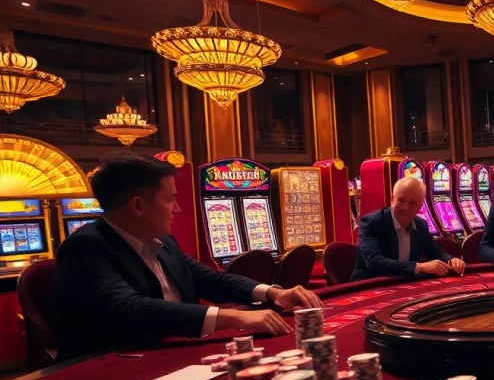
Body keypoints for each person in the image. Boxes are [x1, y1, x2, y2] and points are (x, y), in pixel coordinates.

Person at [55, 152, 321, 360]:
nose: (178, 208)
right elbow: (130, 309)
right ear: (137, 205)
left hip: (176, 349)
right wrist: (236, 317)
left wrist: (272, 293)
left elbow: (208, 279)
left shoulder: (164, 241)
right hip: (113, 366)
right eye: (170, 199)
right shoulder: (85, 248)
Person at [351, 176, 466, 281]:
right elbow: (375, 262)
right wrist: (419, 267)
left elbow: (436, 252)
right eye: (401, 200)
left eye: (412, 203)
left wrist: (451, 260)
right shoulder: (372, 222)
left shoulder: (421, 225)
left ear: (420, 206)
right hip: (368, 288)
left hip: (404, 286)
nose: (405, 207)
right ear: (392, 199)